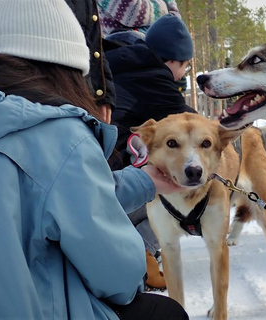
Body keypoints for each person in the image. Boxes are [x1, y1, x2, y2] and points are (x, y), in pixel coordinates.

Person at [0, 0, 188, 319]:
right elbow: (117, 275)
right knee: (163, 312)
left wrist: (145, 180)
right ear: (70, 68)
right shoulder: (59, 135)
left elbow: (43, 192)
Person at [104, 13, 197, 290]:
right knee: (183, 191)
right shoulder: (155, 78)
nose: (183, 75)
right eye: (185, 67)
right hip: (116, 176)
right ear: (172, 60)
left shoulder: (121, 63)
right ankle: (143, 256)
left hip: (101, 166)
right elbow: (194, 125)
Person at [0, 0, 117, 124]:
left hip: (79, 88)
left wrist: (103, 93)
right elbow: (4, 33)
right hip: (34, 88)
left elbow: (92, 39)